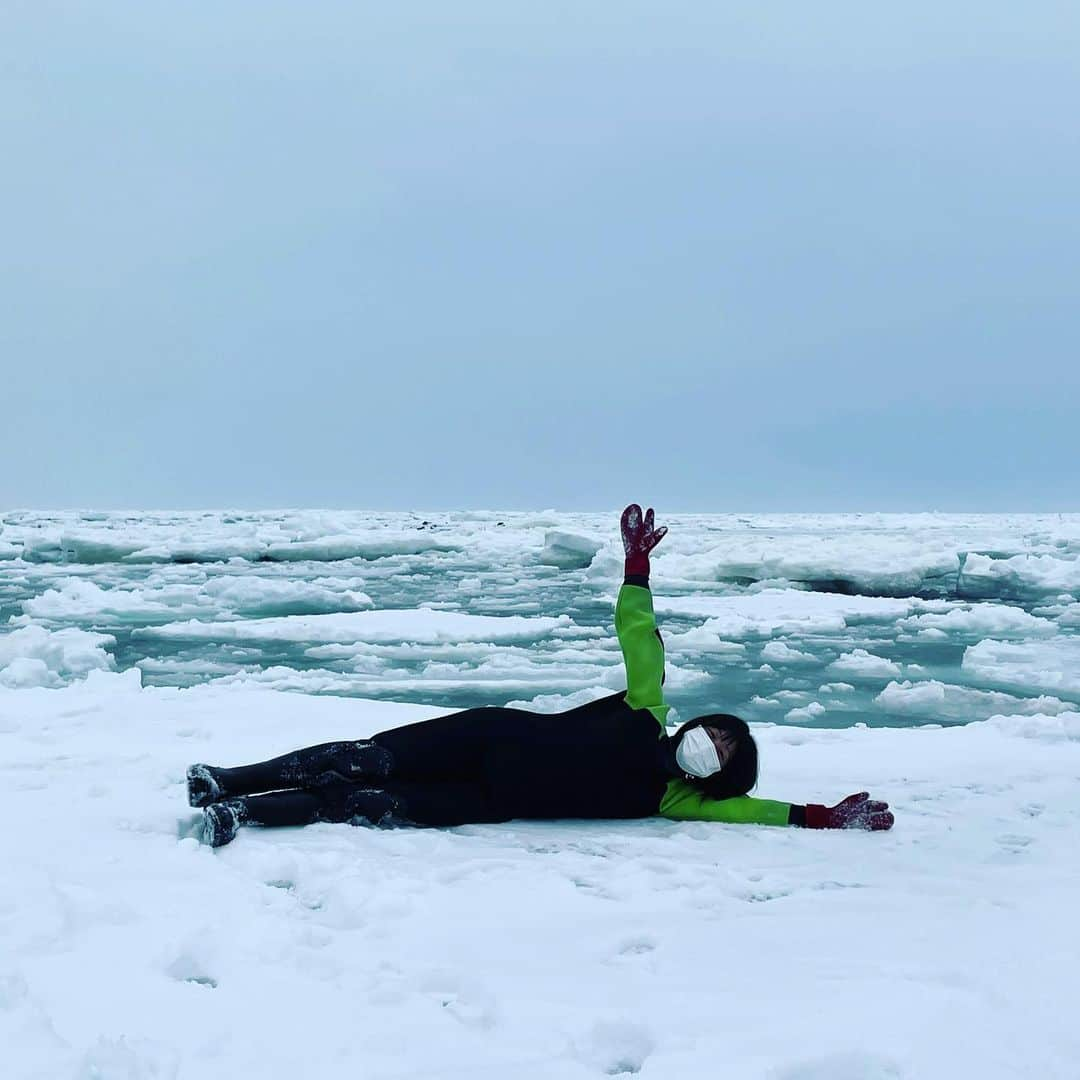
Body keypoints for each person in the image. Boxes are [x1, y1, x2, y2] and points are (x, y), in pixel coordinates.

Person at [190, 504, 894, 847]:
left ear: (718, 776)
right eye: (715, 729)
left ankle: (239, 814)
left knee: (359, 801)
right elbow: (639, 638)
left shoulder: (679, 800)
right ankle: (229, 779)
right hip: (483, 737)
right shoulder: (648, 711)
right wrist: (637, 569)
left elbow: (752, 811)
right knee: (357, 758)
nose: (711, 739)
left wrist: (815, 815)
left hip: (486, 797)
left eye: (725, 751)